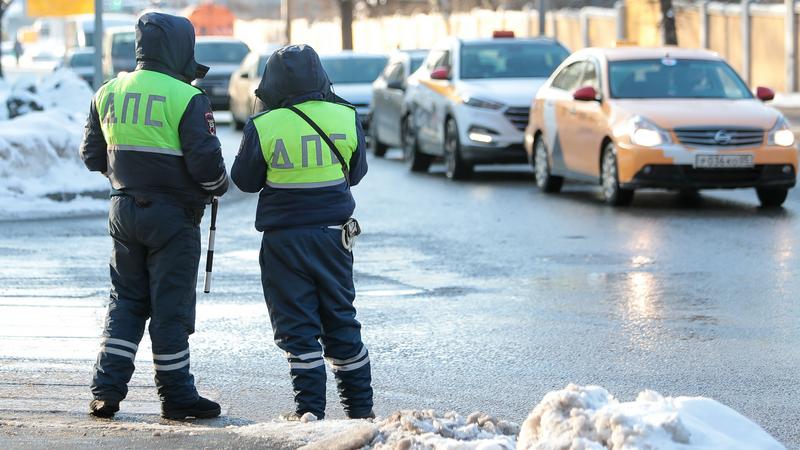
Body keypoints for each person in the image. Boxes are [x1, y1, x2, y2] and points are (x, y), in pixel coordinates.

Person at [79, 12, 229, 420]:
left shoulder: (108, 91)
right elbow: (207, 166)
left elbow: (92, 155)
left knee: (125, 300)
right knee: (170, 308)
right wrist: (218, 186)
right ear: (182, 48)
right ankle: (177, 396)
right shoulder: (187, 97)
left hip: (123, 210)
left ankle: (106, 392)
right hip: (174, 218)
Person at [231, 44, 373, 421]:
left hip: (284, 242)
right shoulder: (345, 115)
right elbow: (356, 174)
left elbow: (244, 181)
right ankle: (361, 413)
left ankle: (309, 413)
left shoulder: (265, 125)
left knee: (298, 326)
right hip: (334, 238)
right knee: (341, 319)